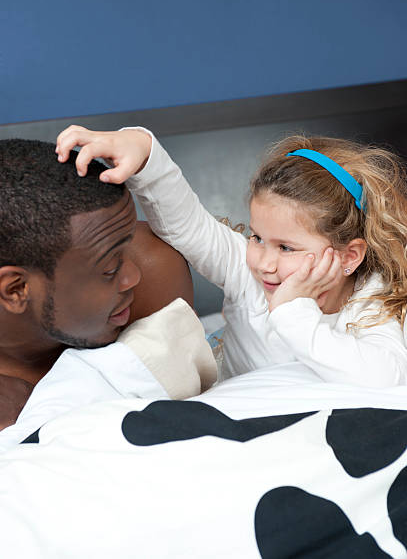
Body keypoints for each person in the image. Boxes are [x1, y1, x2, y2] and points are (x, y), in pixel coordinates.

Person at [55, 125, 407, 388]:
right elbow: (188, 226)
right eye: (257, 237)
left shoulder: (372, 301)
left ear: (349, 257)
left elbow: (385, 380)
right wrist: (146, 152)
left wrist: (292, 313)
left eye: (286, 248)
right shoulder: (247, 272)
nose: (264, 263)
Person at [0, 138, 216, 439]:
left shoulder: (153, 272)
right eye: (110, 269)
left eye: (125, 247)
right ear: (16, 289)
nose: (133, 276)